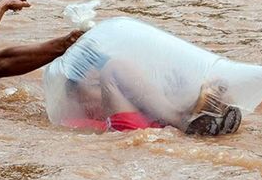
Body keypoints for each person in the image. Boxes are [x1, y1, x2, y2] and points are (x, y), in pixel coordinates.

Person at [62, 51, 242, 135]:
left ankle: (201, 117)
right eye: (96, 85)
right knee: (113, 67)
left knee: (211, 86)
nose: (103, 91)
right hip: (127, 131)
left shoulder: (146, 102)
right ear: (77, 97)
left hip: (161, 129)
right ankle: (183, 119)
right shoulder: (75, 122)